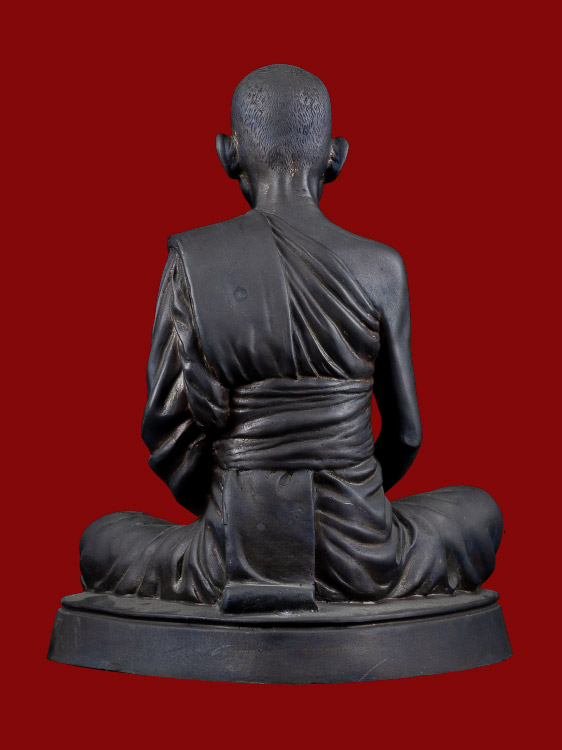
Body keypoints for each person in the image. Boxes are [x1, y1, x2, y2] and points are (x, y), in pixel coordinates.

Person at [80, 65, 502, 612]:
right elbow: (406, 435)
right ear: (337, 155)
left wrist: (236, 496)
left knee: (103, 539)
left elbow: (165, 430)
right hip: (364, 551)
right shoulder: (382, 266)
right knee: (478, 511)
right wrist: (349, 490)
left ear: (227, 152)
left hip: (229, 551)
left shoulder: (194, 261)